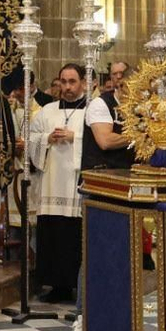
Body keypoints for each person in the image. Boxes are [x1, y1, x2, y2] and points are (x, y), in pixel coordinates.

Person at [26, 63, 106, 303]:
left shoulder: (92, 110)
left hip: (75, 184)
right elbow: (31, 137)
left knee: (73, 236)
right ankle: (56, 286)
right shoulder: (47, 110)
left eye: (72, 82)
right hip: (52, 184)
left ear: (83, 82)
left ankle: (76, 287)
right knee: (52, 233)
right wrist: (46, 138)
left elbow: (100, 140)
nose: (67, 87)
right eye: (63, 81)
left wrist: (75, 136)